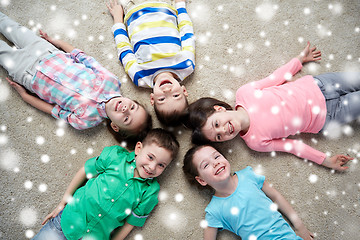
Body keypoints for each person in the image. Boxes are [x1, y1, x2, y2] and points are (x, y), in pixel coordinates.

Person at [186, 42, 358, 171]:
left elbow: (275, 78)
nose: (223, 131)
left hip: (319, 85)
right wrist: (325, 160)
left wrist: (298, 61)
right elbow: (293, 147)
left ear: (219, 109)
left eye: (216, 124)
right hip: (327, 117)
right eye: (218, 137)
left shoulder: (244, 93)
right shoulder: (255, 142)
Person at [0, 12, 152, 141]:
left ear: (114, 126)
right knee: (12, 27)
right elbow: (84, 58)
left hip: (27, 74)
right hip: (47, 52)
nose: (126, 109)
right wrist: (57, 42)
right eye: (132, 107)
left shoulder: (86, 121)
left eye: (126, 118)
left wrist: (25, 96)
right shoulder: (112, 82)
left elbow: (53, 110)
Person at [32, 128, 180, 240]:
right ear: (138, 148)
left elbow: (130, 223)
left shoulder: (150, 191)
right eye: (150, 157)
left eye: (161, 165)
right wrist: (62, 202)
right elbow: (85, 170)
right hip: (66, 222)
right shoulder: (115, 156)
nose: (152, 167)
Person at [183, 144, 314, 240]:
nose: (215, 163)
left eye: (217, 156)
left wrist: (300, 226)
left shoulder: (247, 175)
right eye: (206, 165)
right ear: (201, 180)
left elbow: (275, 196)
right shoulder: (214, 211)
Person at [107, 0, 195, 126]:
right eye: (175, 95)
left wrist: (117, 20)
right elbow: (187, 33)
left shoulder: (140, 77)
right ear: (184, 90)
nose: (167, 91)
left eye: (162, 99)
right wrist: (180, 5)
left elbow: (123, 50)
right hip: (164, 6)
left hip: (132, 12)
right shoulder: (187, 65)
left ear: (152, 98)